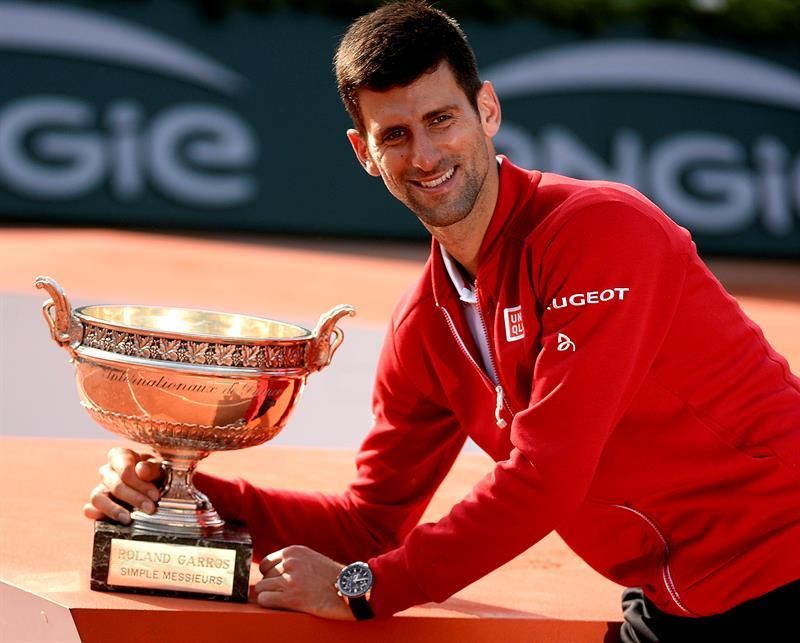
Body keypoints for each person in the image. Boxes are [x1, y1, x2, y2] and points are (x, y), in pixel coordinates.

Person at [85, 2, 800, 639]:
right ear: (364, 153)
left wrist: (360, 589)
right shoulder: (425, 324)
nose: (424, 155)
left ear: (486, 111)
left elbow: (546, 476)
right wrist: (181, 487)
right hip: (679, 602)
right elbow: (368, 522)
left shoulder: (602, 232)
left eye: (441, 119)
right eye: (394, 134)